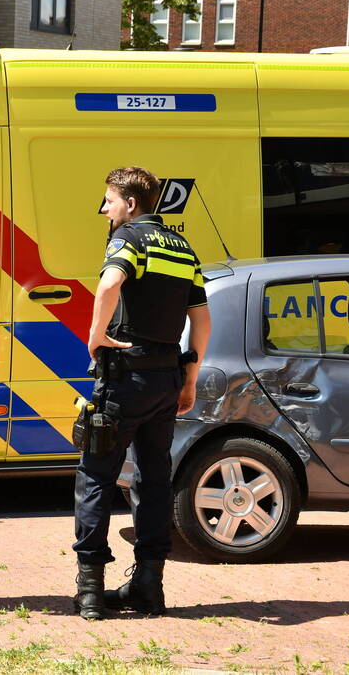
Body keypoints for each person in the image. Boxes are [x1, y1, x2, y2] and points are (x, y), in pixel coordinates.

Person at [73, 166, 212, 620]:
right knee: (153, 482)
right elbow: (202, 318)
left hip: (123, 381)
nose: (105, 209)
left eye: (109, 201)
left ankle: (90, 591)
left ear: (131, 204)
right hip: (165, 382)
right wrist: (189, 378)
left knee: (96, 476)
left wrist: (96, 336)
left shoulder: (128, 238)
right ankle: (149, 588)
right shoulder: (183, 247)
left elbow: (110, 283)